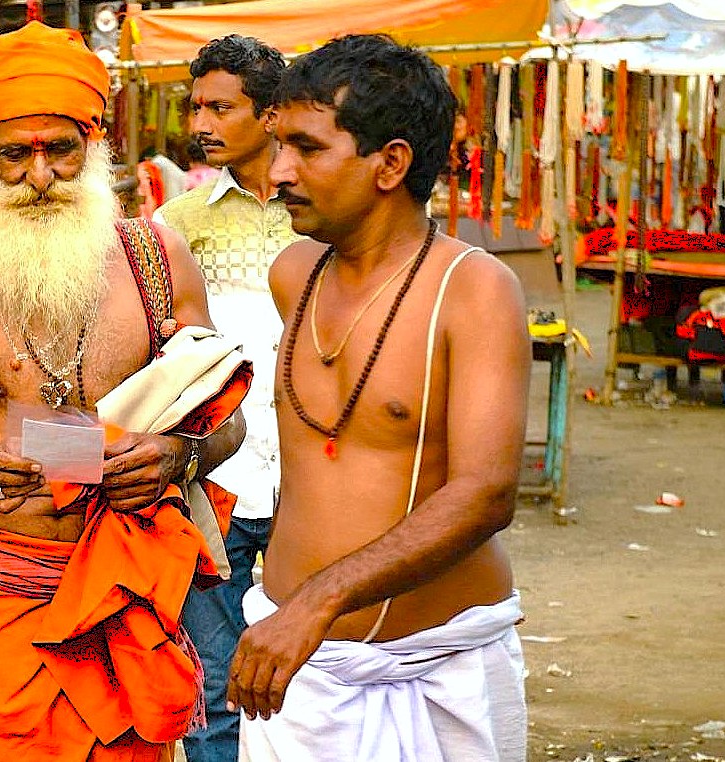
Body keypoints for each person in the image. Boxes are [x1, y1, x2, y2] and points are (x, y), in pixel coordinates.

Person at [0, 21, 245, 761]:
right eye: (15, 154)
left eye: (60, 148)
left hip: (117, 605)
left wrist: (179, 457)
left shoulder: (159, 258)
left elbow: (228, 425)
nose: (40, 175)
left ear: (95, 141)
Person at [227, 35, 531, 761]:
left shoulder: (473, 289)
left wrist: (318, 602)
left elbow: (486, 494)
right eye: (277, 145)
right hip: (298, 670)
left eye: (306, 147)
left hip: (442, 667)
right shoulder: (291, 274)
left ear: (389, 163)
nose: (277, 173)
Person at [151, 34, 300, 762]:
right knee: (212, 679)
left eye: (221, 107)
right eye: (195, 106)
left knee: (317, 675)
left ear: (270, 114)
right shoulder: (178, 225)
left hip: (314, 479)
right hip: (216, 478)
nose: (200, 123)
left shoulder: (325, 214)